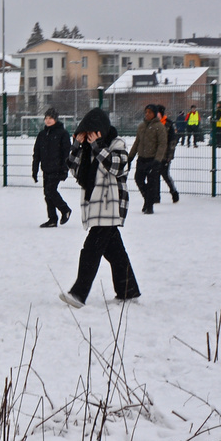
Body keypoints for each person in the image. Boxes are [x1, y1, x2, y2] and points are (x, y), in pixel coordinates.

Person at [58, 107, 139, 308]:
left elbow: (118, 167)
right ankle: (128, 290)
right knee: (115, 252)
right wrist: (77, 144)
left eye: (93, 132)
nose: (90, 136)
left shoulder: (116, 144)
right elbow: (73, 169)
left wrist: (98, 147)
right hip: (95, 207)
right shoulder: (87, 151)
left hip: (110, 206)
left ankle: (78, 293)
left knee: (91, 250)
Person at [31, 108, 71, 227]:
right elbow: (37, 153)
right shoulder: (42, 134)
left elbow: (66, 153)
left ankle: (65, 210)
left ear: (55, 119)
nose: (48, 121)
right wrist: (35, 169)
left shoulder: (62, 133)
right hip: (46, 169)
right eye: (46, 118)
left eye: (51, 118)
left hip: (57, 169)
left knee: (51, 191)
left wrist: (65, 169)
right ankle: (52, 219)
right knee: (47, 194)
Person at [130, 104, 167, 215]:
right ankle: (147, 200)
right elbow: (137, 142)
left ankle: (149, 206)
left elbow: (162, 144)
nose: (147, 114)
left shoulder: (159, 127)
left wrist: (157, 160)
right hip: (142, 159)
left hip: (152, 160)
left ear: (154, 114)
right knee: (138, 179)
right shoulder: (141, 126)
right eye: (146, 112)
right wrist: (130, 157)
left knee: (151, 184)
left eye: (149, 112)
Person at [157, 107, 181, 203]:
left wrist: (169, 156)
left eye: (158, 113)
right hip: (155, 154)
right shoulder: (152, 124)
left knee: (165, 175)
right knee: (154, 176)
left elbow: (172, 141)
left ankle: (174, 192)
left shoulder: (168, 124)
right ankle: (155, 197)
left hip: (165, 154)